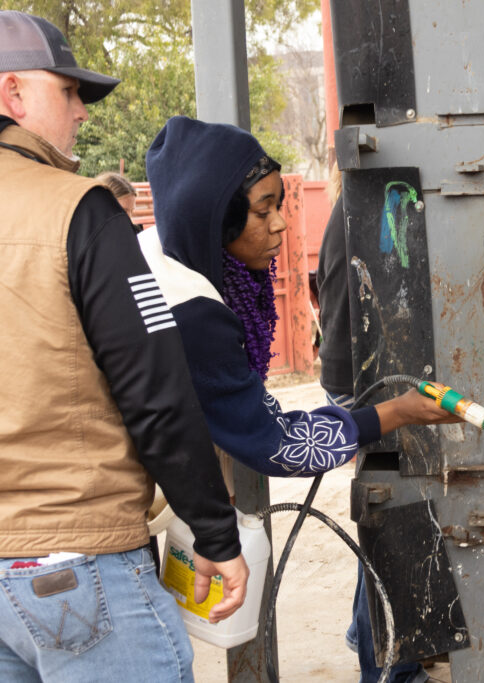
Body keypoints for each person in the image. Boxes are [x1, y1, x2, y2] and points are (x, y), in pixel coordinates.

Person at [0, 11, 248, 682]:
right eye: (70, 92)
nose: (82, 112)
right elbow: (155, 389)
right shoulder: (78, 211)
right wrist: (215, 533)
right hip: (76, 566)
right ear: (12, 95)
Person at [141, 116, 457, 484]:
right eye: (263, 212)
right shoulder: (190, 311)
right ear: (212, 220)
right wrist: (402, 411)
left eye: (279, 206)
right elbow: (280, 443)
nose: (280, 224)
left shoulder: (156, 248)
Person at [316, 162, 427, 683]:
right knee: (394, 513)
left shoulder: (356, 199)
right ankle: (388, 668)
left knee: (388, 506)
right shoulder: (386, 197)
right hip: (366, 381)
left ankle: (369, 636)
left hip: (352, 371)